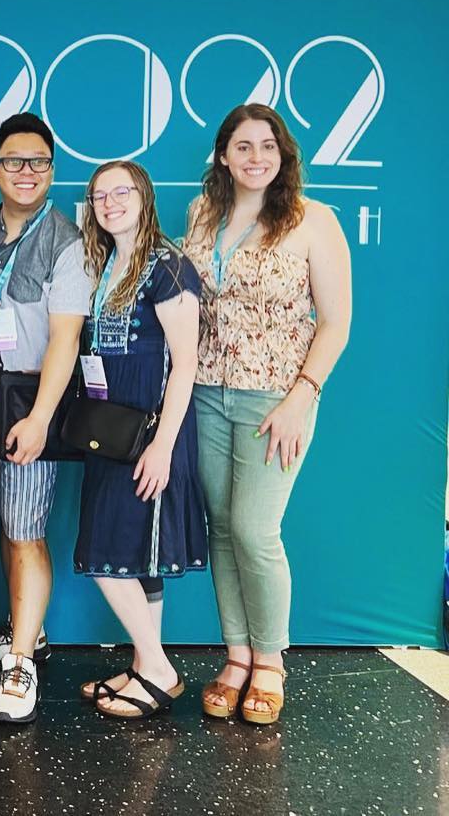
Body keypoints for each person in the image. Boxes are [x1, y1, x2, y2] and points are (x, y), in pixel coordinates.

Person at [184, 105, 351, 726]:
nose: (256, 158)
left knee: (256, 530)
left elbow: (335, 323)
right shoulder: (203, 214)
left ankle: (271, 664)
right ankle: (236, 657)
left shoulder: (313, 220)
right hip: (205, 391)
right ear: (223, 156)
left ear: (283, 156)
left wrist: (300, 398)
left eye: (268, 147)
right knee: (222, 528)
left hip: (276, 399)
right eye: (243, 146)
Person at [0, 112, 91, 724]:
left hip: (29, 403)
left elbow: (66, 338)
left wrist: (40, 418)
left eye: (39, 161)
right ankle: (23, 629)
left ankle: (21, 664)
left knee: (27, 529)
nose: (26, 171)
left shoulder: (66, 241)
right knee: (1, 523)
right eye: (14, 160)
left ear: (52, 171)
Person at [73, 160, 208, 720]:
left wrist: (162, 446)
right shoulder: (106, 263)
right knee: (137, 559)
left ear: (144, 196)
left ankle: (158, 669)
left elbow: (185, 364)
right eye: (99, 195)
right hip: (111, 431)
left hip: (150, 432)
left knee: (106, 554)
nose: (110, 203)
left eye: (120, 191)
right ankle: (142, 665)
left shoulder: (168, 266)